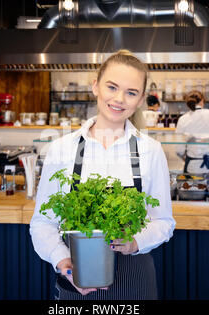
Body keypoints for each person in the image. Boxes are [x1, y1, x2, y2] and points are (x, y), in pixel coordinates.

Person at [29, 49, 175, 300]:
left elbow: (163, 222)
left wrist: (135, 242)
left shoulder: (150, 151)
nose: (119, 99)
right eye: (112, 87)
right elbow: (43, 223)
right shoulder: (61, 149)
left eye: (131, 93)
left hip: (135, 281)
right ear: (95, 86)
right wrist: (63, 261)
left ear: (140, 100)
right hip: (76, 278)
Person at [175, 90, 209, 174]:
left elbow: (179, 149)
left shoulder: (183, 119)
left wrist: (184, 156)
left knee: (193, 187)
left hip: (193, 167)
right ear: (202, 101)